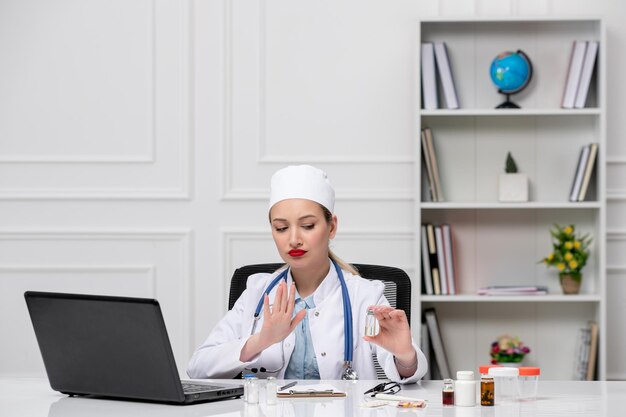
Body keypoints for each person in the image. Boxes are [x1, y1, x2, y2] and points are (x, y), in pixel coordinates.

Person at [187, 165, 427, 382]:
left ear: (331, 227)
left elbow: (409, 371)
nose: (293, 240)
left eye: (308, 226)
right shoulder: (257, 292)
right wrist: (260, 341)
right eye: (281, 228)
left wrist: (404, 356)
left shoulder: (364, 295)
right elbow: (197, 367)